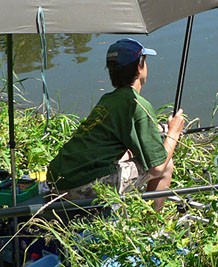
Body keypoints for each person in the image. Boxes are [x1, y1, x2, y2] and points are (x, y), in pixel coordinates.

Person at [47, 38, 185, 211]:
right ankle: (152, 223)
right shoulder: (137, 104)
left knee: (127, 154)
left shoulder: (108, 100)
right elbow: (157, 168)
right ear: (139, 68)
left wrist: (157, 128)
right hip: (80, 188)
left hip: (56, 181)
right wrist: (173, 132)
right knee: (167, 164)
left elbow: (119, 133)